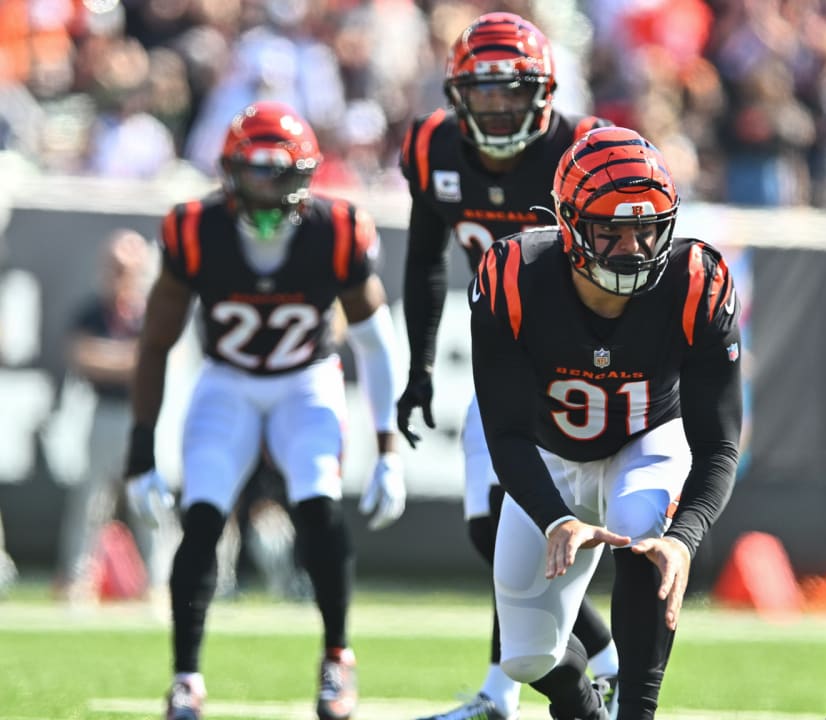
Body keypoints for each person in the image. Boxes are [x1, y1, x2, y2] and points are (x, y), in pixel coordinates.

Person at [124, 100, 405, 720]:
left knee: (318, 505)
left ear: (305, 174)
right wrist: (141, 448)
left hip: (306, 379)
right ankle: (186, 677)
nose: (264, 187)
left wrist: (388, 449)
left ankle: (337, 656)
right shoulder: (194, 229)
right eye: (251, 172)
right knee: (202, 518)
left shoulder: (337, 230)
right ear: (228, 171)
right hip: (226, 381)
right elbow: (157, 340)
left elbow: (377, 342)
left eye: (276, 172)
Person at [470, 126, 742, 720]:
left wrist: (684, 538)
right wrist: (555, 518)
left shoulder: (696, 281)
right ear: (569, 225)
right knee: (526, 658)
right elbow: (506, 433)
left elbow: (720, 443)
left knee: (643, 531)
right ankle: (586, 708)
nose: (633, 249)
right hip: (551, 454)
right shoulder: (514, 277)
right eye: (611, 232)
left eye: (646, 230)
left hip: (648, 440)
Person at [394, 12, 616, 720]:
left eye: (511, 92)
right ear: (458, 95)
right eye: (482, 93)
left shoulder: (584, 151)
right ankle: (582, 666)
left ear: (543, 92)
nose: (495, 107)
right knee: (490, 531)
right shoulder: (433, 146)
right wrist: (420, 365)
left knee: (521, 525)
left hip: (584, 373)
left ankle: (556, 680)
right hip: (506, 368)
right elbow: (426, 260)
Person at [57, 229, 157, 600]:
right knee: (90, 501)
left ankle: (158, 580)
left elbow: (160, 360)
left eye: (126, 268)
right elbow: (81, 355)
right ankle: (78, 576)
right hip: (104, 412)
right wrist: (131, 358)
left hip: (143, 413)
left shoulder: (152, 311)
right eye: (114, 267)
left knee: (148, 500)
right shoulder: (92, 310)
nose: (119, 276)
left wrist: (114, 357)